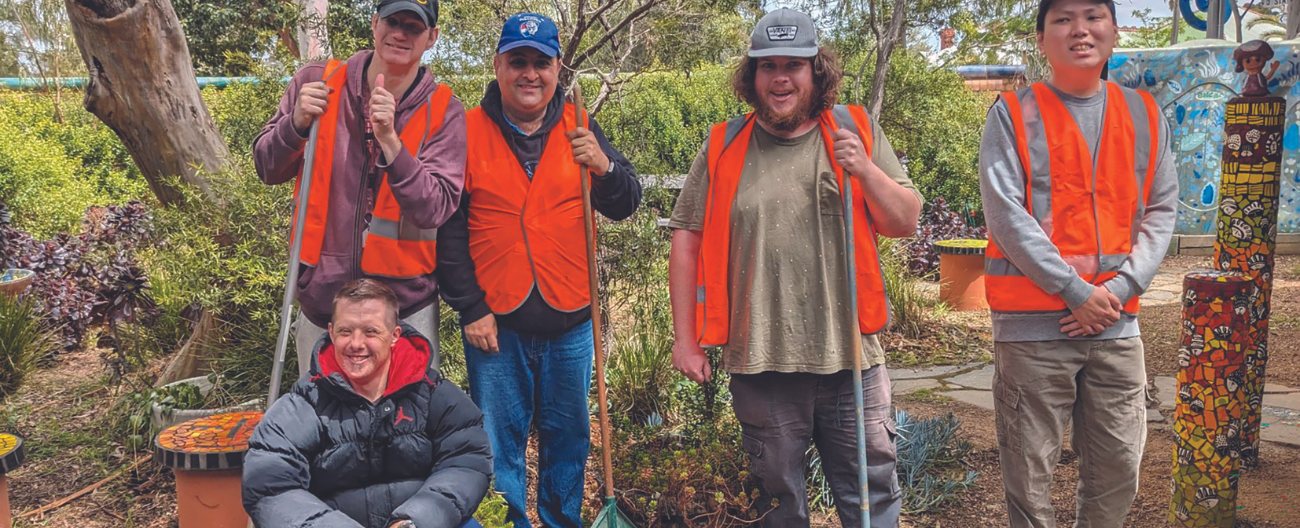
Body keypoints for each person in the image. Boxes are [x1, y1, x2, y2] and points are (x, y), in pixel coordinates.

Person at [666, 8, 921, 527]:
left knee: (871, 499)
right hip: (761, 362)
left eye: (794, 65)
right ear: (752, 76)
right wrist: (686, 340)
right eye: (768, 66)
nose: (780, 78)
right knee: (777, 508)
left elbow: (905, 221)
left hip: (851, 359)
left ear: (816, 72)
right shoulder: (723, 145)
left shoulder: (854, 130)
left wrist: (865, 169)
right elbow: (686, 242)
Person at [434, 12, 642, 528]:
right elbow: (448, 230)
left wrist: (605, 167)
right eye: (518, 61)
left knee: (568, 436)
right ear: (499, 65)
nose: (530, 74)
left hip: (571, 320)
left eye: (540, 63)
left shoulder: (579, 124)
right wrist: (471, 307)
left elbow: (625, 201)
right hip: (495, 326)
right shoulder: (467, 130)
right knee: (496, 441)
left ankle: (559, 521)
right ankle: (508, 522)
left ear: (557, 69)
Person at [978, 0, 1177, 525]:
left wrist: (1121, 286)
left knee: (1118, 471)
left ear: (1115, 30)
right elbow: (1006, 214)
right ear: (1042, 38)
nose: (1080, 30)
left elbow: (1161, 209)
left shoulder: (1144, 113)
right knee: (1029, 477)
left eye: (1093, 16)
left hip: (1116, 325)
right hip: (1033, 330)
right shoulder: (1013, 112)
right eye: (1063, 19)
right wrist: (1074, 291)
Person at [253, 0, 465, 375]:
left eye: (413, 27)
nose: (400, 33)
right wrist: (296, 124)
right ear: (374, 23)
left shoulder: (444, 110)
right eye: (392, 20)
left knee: (405, 429)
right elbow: (267, 167)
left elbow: (435, 208)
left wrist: (391, 143)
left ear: (431, 37)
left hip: (406, 311)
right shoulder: (316, 83)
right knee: (323, 426)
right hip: (324, 305)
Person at [242, 279, 492, 528]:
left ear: (395, 335)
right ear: (330, 332)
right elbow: (271, 486)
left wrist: (416, 520)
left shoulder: (433, 393)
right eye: (345, 331)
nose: (356, 344)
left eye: (370, 331)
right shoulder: (304, 404)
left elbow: (466, 460)